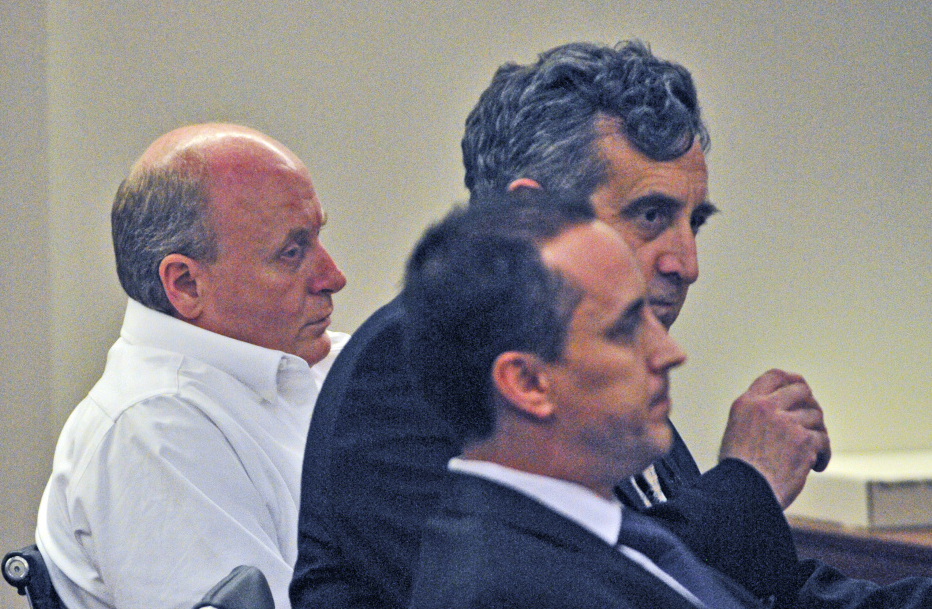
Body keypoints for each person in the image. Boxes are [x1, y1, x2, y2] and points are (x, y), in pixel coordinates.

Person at [294, 40, 932, 609]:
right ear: (533, 212)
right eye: (651, 216)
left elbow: (738, 590)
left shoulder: (599, 360)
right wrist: (748, 484)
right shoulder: (411, 365)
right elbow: (562, 583)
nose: (686, 263)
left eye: (694, 222)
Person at [36, 123, 348, 609]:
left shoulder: (329, 362)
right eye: (293, 252)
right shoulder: (151, 431)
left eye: (318, 238)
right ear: (185, 284)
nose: (333, 276)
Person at [403, 191, 763, 609]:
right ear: (528, 382)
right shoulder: (505, 593)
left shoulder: (595, 529)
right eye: (625, 329)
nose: (669, 352)